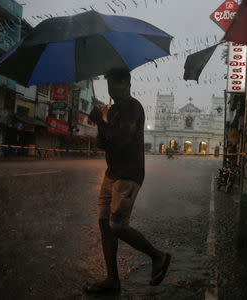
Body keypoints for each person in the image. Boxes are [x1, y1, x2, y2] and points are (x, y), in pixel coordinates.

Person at [85, 68, 171, 293]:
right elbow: (103, 144)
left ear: (126, 84)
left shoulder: (133, 107)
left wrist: (101, 123)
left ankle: (158, 256)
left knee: (118, 226)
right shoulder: (112, 111)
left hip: (129, 174)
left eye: (114, 85)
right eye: (109, 85)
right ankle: (112, 280)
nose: (111, 89)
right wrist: (99, 123)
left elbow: (123, 139)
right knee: (105, 225)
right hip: (111, 173)